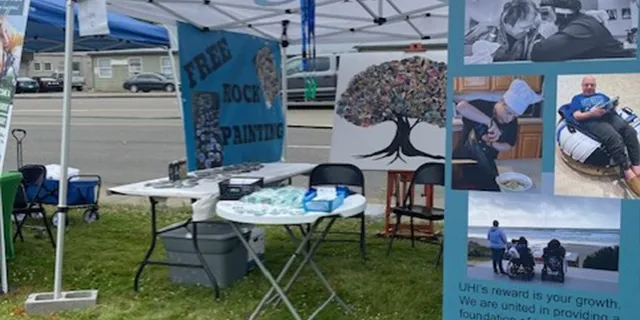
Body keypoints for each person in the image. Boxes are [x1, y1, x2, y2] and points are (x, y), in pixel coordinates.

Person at [453, 79, 542, 191]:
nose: (510, 119)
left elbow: (509, 144)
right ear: (501, 101)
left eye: (514, 116)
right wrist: (490, 122)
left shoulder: (512, 122)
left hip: (486, 166)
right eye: (509, 113)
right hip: (462, 164)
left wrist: (492, 144)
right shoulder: (483, 105)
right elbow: (461, 107)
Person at [566, 76, 640, 194]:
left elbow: (610, 107)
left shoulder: (601, 96)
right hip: (592, 120)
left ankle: (636, 164)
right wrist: (592, 113)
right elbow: (577, 116)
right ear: (582, 86)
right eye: (586, 85)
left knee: (630, 131)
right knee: (614, 138)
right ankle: (625, 169)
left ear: (595, 86)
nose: (589, 87)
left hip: (608, 116)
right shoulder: (577, 99)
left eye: (592, 85)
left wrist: (613, 105)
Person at [528, 0, 630, 61]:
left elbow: (541, 52)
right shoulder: (581, 23)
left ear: (562, 13)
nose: (543, 20)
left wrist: (546, 36)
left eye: (545, 14)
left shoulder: (583, 28)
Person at [465, 0, 543, 62]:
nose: (528, 30)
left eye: (530, 26)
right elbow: (458, 52)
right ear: (507, 23)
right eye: (524, 27)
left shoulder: (531, 34)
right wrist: (475, 48)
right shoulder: (484, 31)